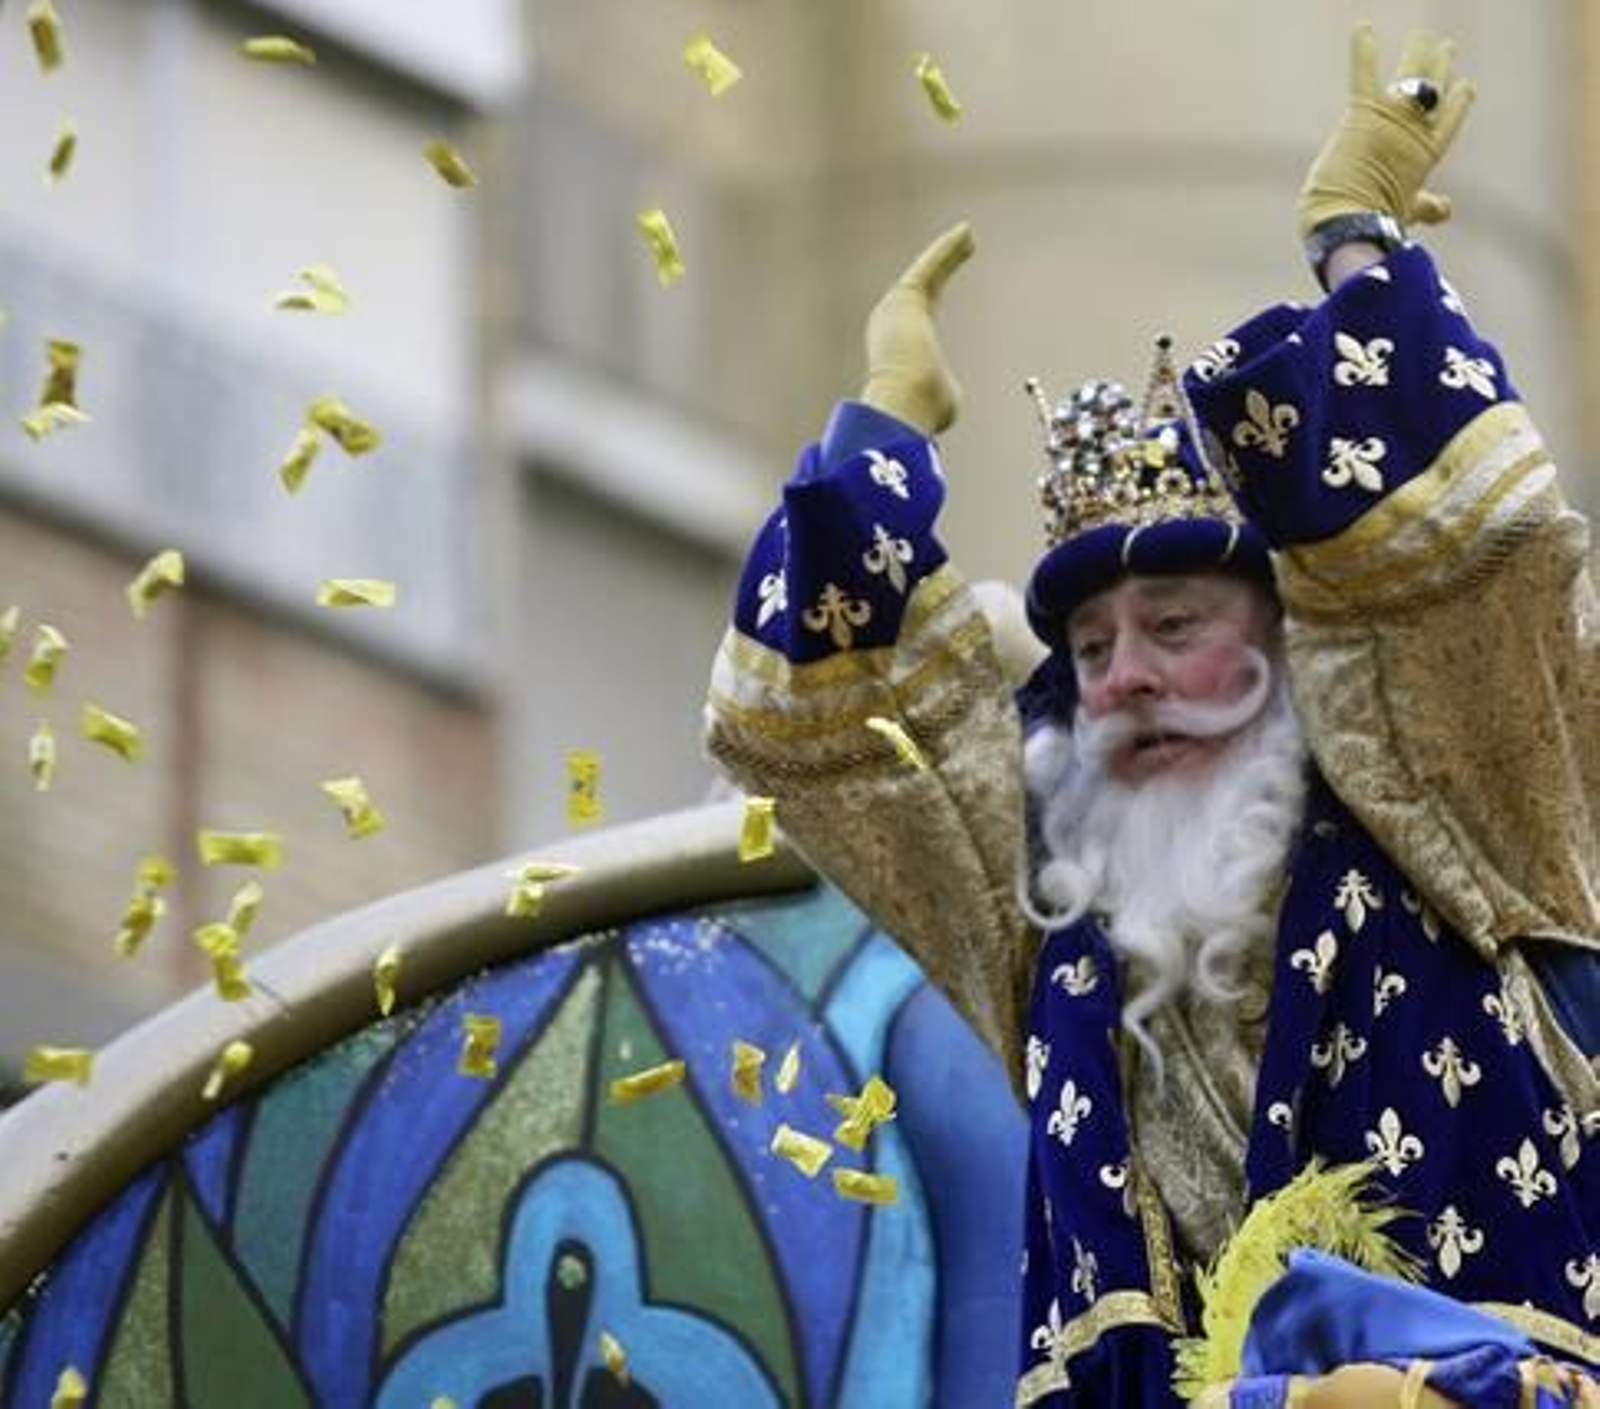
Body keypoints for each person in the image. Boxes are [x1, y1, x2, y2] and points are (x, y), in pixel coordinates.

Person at [705, 24, 1596, 1407]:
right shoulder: (1053, 927)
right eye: (1091, 645)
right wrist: (883, 438)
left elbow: (1474, 564)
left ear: (1304, 653)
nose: (1122, 678)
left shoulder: (1462, 809)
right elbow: (838, 740)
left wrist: (1353, 241)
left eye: (1176, 628)